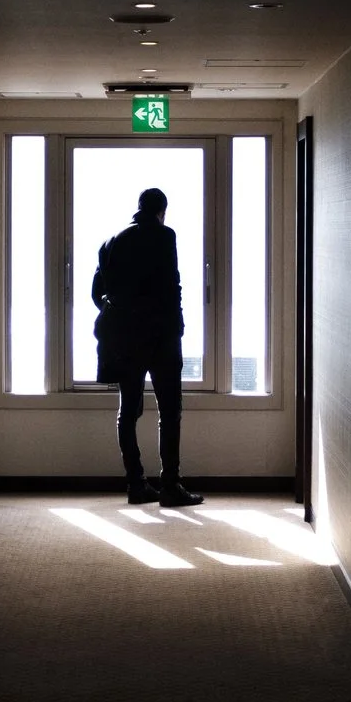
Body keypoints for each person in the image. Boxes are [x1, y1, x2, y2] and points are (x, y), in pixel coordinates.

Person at [91, 187, 203, 507]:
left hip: (126, 340)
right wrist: (177, 327)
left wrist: (121, 314)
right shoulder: (164, 235)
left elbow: (97, 293)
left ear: (139, 208)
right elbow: (171, 285)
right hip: (161, 336)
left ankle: (136, 484)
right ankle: (170, 485)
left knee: (128, 411)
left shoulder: (111, 242)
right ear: (162, 211)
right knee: (169, 410)